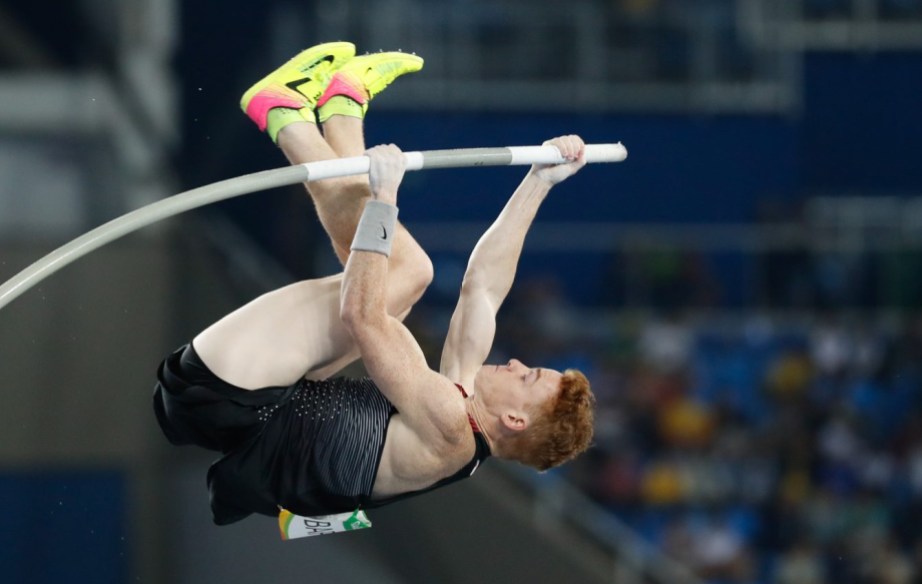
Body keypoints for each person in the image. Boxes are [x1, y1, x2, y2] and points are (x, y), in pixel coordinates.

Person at [153, 41, 595, 526]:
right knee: (409, 277)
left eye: (527, 376)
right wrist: (539, 181)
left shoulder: (449, 425)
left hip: (227, 393)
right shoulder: (463, 418)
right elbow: (483, 287)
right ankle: (341, 109)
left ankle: (282, 112)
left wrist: (385, 200)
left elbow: (361, 316)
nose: (515, 363)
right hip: (255, 404)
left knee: (404, 274)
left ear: (515, 420)